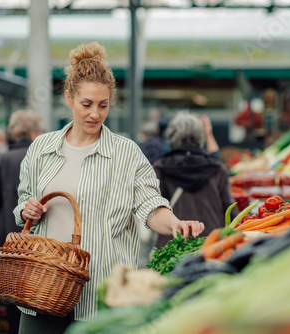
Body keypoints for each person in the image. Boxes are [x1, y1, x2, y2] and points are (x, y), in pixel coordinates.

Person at [12, 42, 204, 332]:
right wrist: (28, 209)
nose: (95, 114)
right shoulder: (41, 148)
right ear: (68, 98)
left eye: (103, 105)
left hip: (101, 295)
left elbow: (150, 204)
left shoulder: (126, 153)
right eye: (86, 104)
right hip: (43, 288)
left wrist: (176, 224)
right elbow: (24, 199)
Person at [0, 110, 44, 334]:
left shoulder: (1, 159)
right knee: (38, 296)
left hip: (7, 237)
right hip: (38, 238)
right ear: (34, 131)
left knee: (12, 296)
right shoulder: (42, 156)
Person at [152, 112, 236, 249]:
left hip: (170, 247)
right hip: (211, 245)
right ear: (201, 140)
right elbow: (231, 210)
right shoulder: (216, 168)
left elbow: (153, 209)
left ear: (171, 139)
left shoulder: (159, 168)